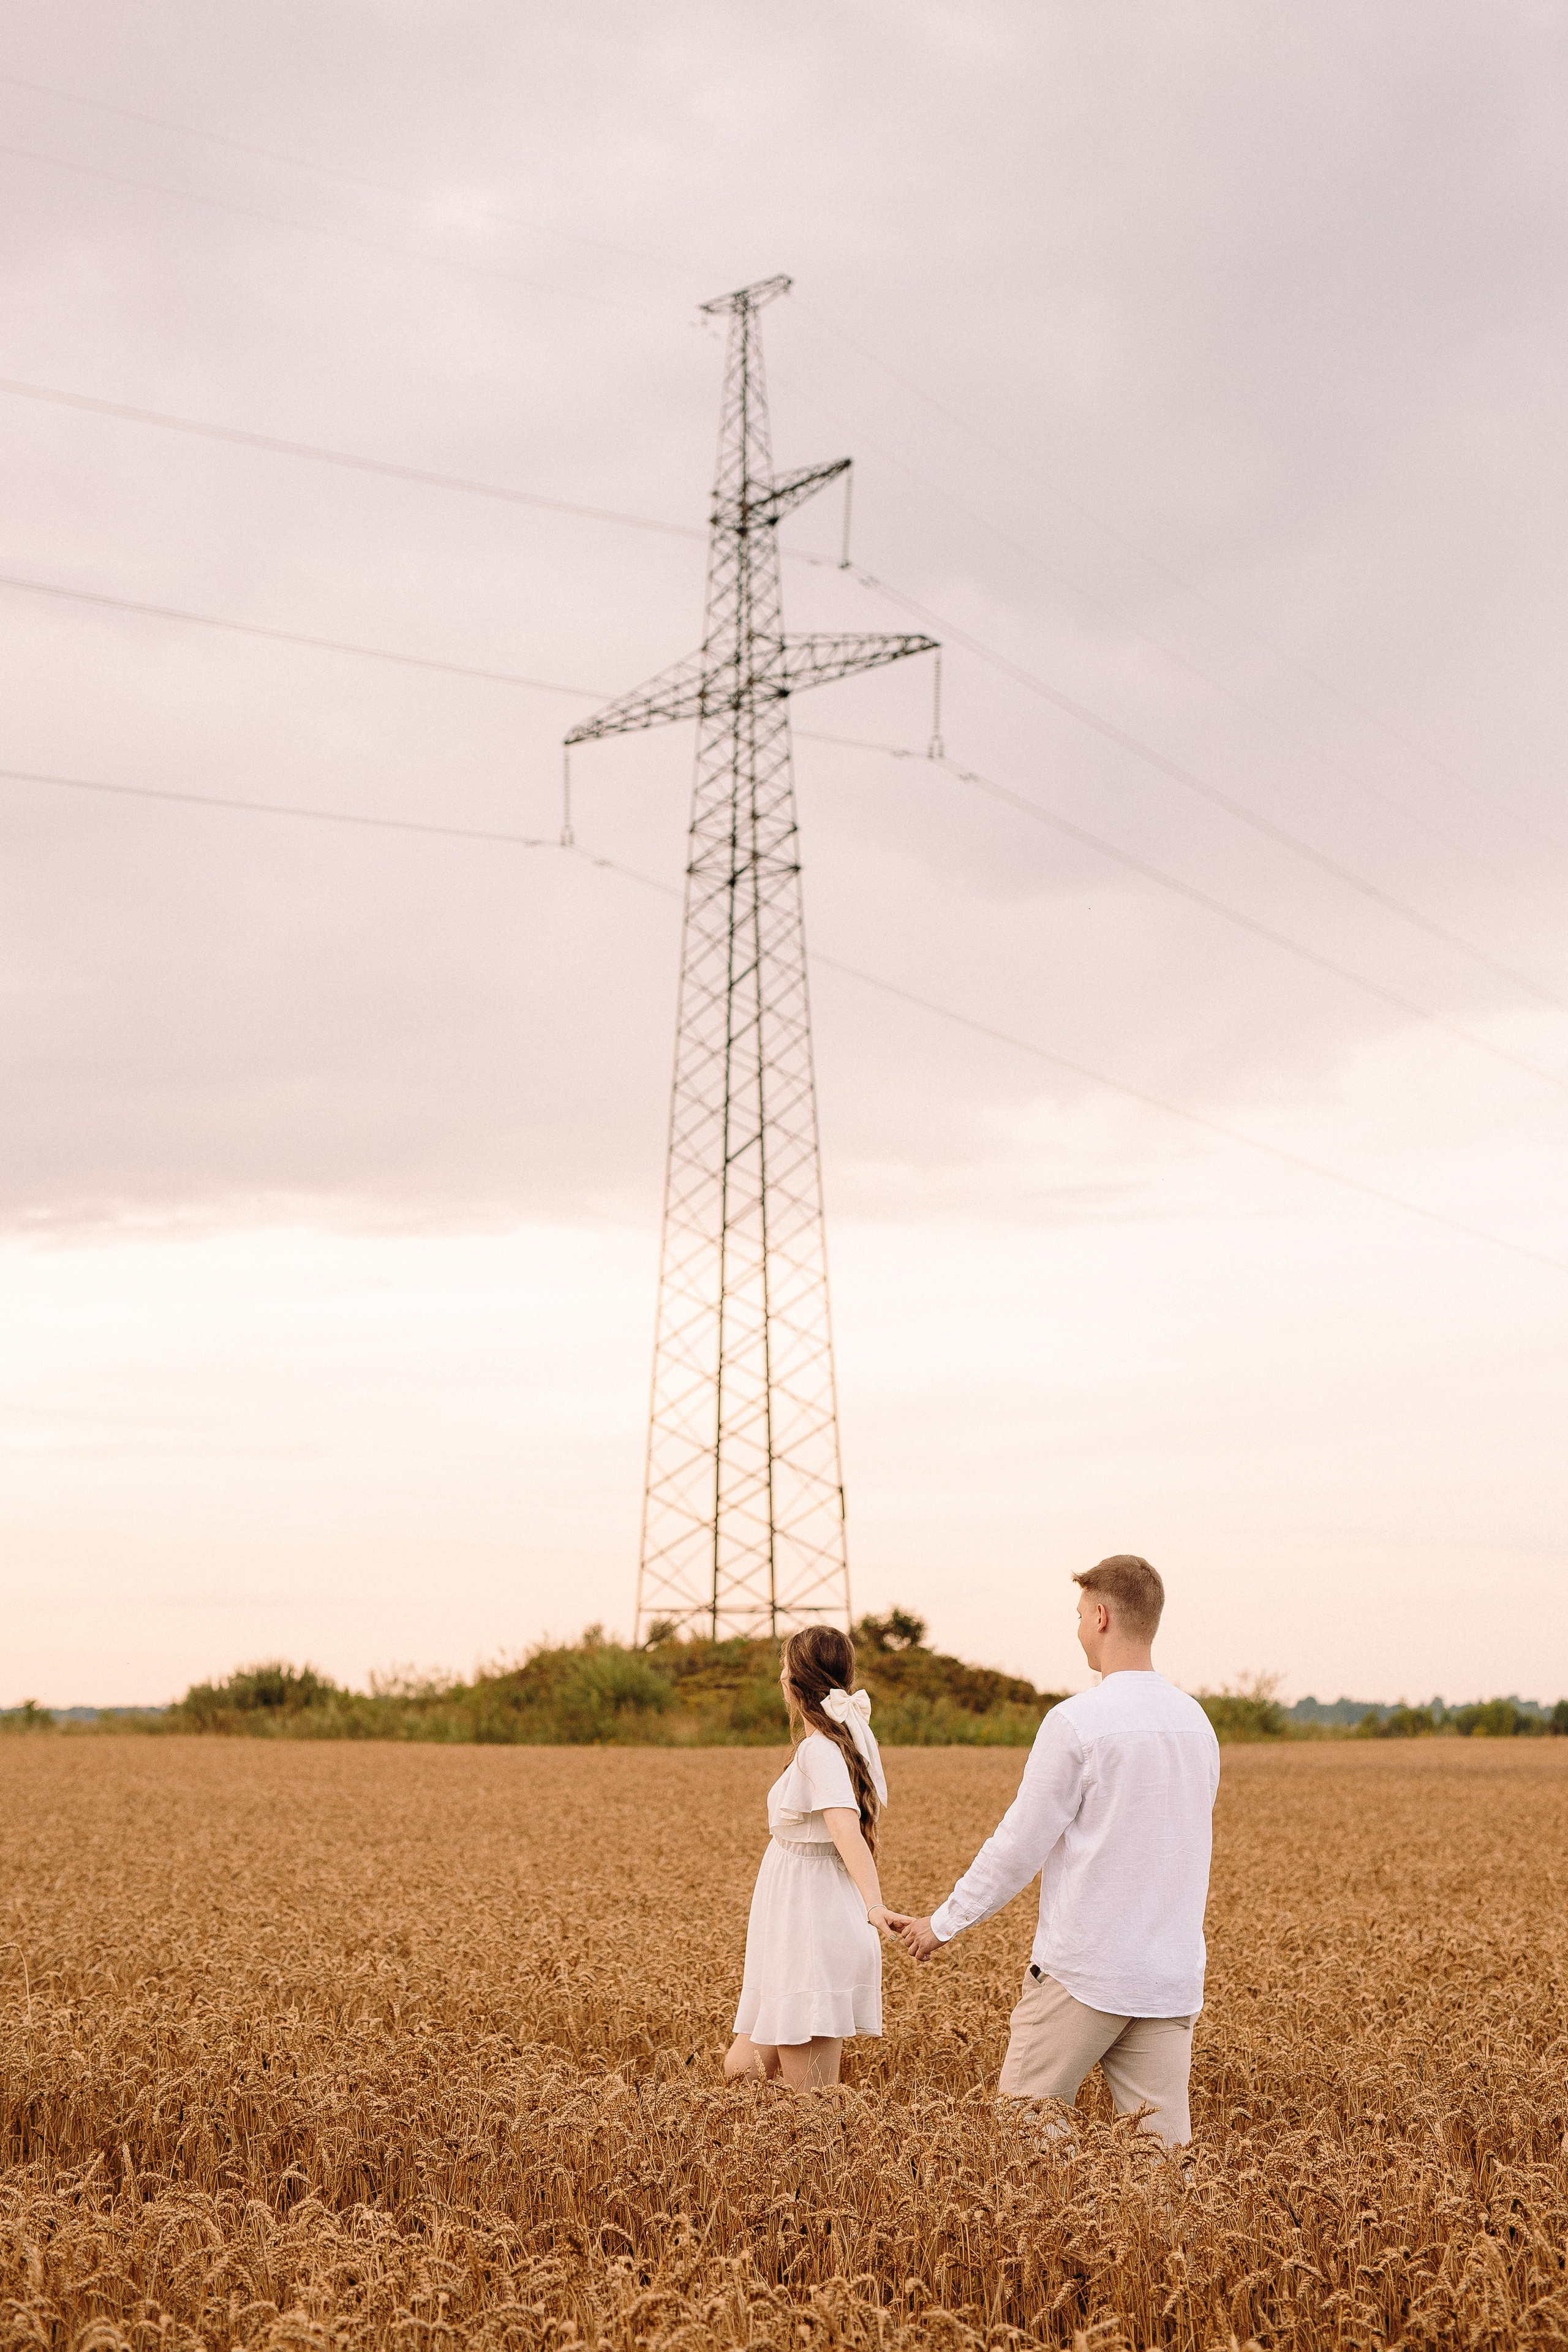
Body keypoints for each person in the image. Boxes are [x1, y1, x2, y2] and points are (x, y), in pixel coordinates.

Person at [889, 1556, 1219, 2147]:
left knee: (1024, 2129)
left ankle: (1070, 2233)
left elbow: (1019, 1844)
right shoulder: (1197, 1724)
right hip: (1168, 1977)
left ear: (1101, 1616)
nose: (1076, 1630)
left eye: (1078, 1615)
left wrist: (942, 1924)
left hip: (1085, 1971)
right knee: (1164, 2162)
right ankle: (1154, 2243)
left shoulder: (1078, 1722)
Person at [725, 1623, 895, 2089]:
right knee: (741, 2073)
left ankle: (831, 2155)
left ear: (793, 1681)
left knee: (811, 2101)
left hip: (811, 1926)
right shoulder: (831, 1742)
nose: (779, 1675)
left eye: (783, 1666)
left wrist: (875, 1905)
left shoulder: (820, 1751)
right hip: (793, 1921)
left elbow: (844, 1827)